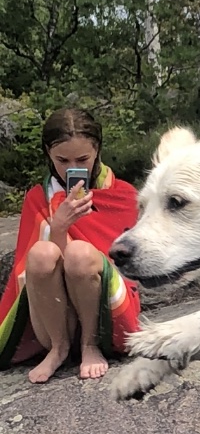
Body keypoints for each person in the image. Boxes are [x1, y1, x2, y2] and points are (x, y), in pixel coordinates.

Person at [0, 108, 141, 382]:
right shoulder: (38, 198)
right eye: (62, 160)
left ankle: (90, 346)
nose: (71, 167)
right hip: (54, 314)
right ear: (48, 154)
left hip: (104, 312)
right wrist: (59, 227)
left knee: (79, 253)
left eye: (82, 159)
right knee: (41, 253)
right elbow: (27, 273)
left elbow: (130, 267)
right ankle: (58, 347)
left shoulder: (123, 194)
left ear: (97, 151)